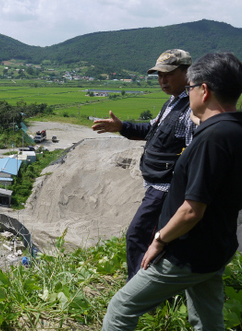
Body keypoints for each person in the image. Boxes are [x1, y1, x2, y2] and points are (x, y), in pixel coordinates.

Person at [101, 52, 242, 330]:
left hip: (188, 251)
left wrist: (159, 239)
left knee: (121, 308)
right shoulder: (240, 132)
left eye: (191, 86)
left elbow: (192, 209)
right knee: (207, 320)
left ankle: (147, 292)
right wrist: (123, 128)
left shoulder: (212, 138)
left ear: (203, 90)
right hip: (216, 246)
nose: (187, 91)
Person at [92, 49, 197, 281]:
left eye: (168, 74)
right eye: (159, 75)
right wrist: (122, 127)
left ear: (187, 72)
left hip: (166, 188)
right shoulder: (172, 103)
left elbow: (193, 153)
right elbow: (151, 130)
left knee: (137, 235)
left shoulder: (191, 109)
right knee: (154, 238)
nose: (162, 80)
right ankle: (157, 289)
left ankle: (138, 293)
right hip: (155, 183)